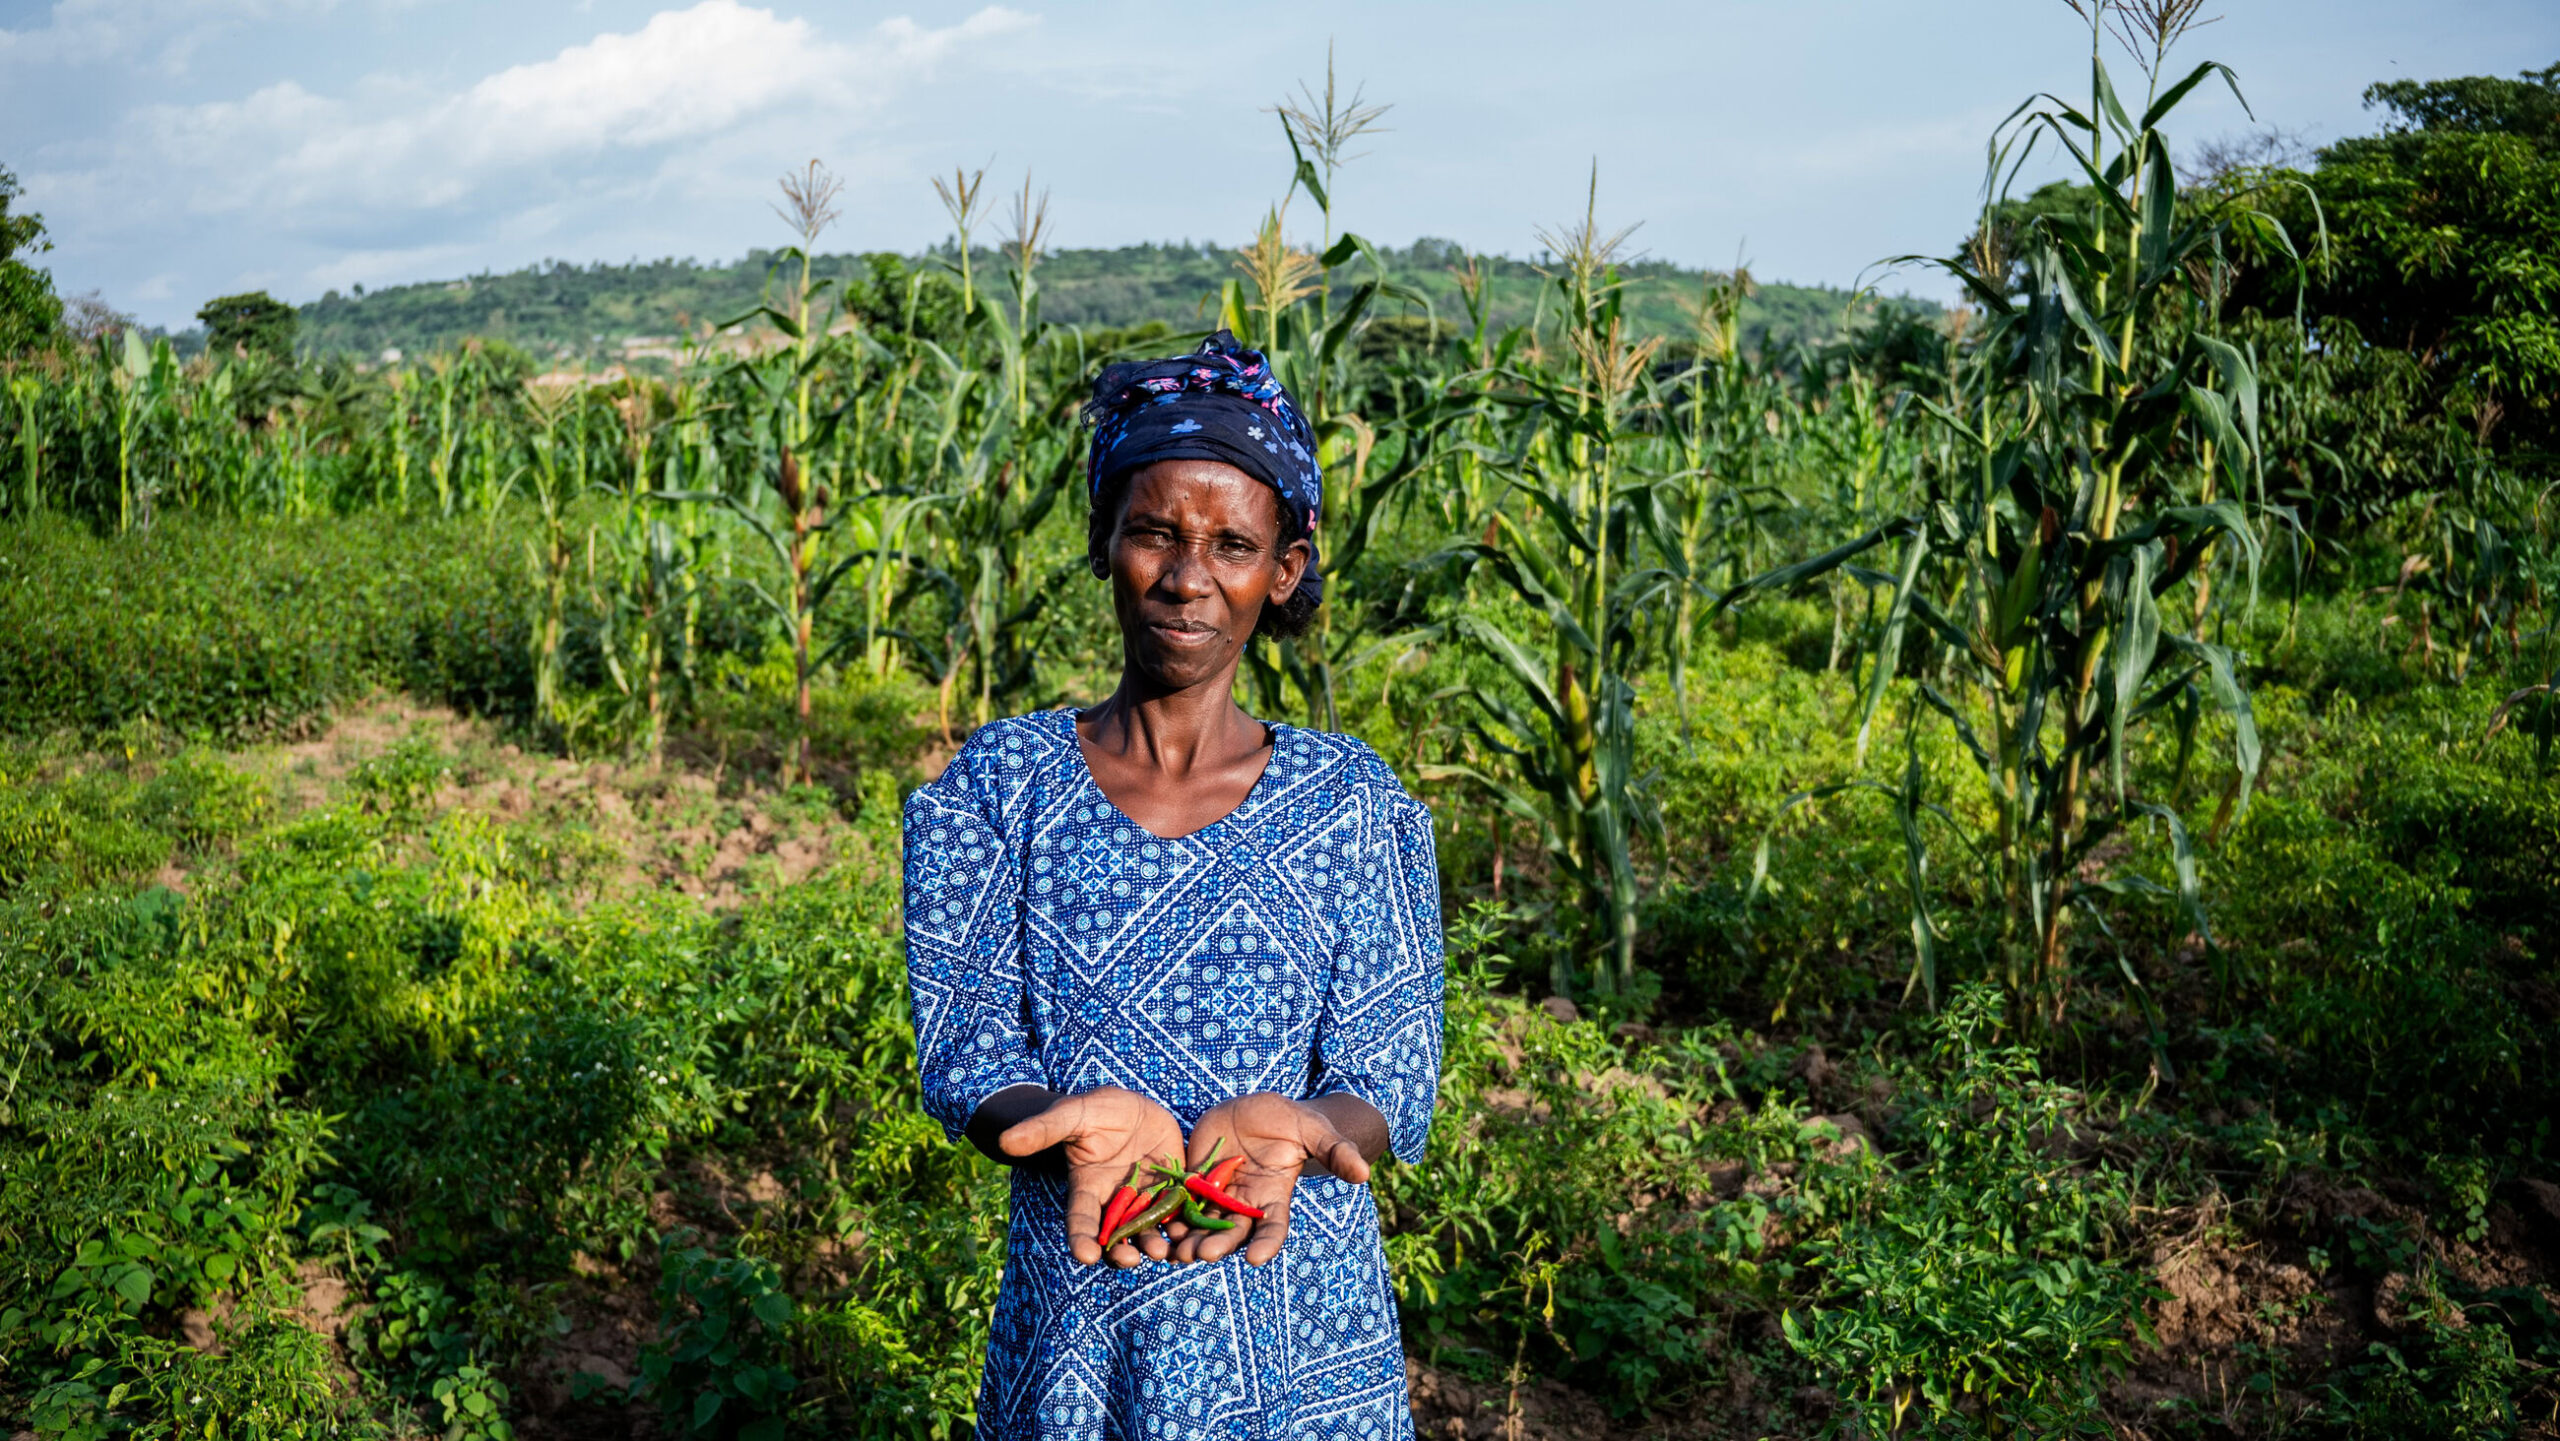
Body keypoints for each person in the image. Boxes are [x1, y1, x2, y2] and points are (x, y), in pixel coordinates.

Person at [902, 331, 1446, 1439]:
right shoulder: (1000, 784)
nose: (1189, 577)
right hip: (1082, 1316)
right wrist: (1060, 1120)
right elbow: (967, 1049)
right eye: (1155, 531)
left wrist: (1305, 1125)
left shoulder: (1352, 801)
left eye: (1232, 544)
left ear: (1281, 570)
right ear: (1104, 539)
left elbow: (1389, 1073)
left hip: (1299, 1329)